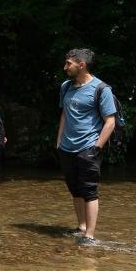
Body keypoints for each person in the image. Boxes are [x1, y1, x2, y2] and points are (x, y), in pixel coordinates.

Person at [56, 48, 116, 245]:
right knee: (75, 189)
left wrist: (97, 147)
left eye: (69, 64)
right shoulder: (66, 86)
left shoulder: (101, 89)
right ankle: (80, 226)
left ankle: (89, 235)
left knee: (89, 191)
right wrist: (58, 141)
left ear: (81, 65)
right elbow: (64, 114)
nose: (65, 67)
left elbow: (110, 122)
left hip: (88, 147)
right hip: (66, 147)